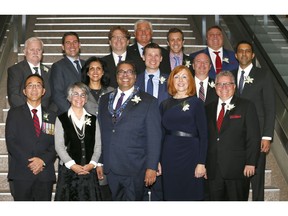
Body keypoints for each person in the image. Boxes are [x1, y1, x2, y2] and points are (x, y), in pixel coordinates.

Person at [97, 60, 162, 201]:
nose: (125, 75)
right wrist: (100, 162)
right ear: (116, 76)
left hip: (135, 167)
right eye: (121, 71)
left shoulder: (148, 101)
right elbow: (101, 133)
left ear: (135, 76)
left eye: (129, 71)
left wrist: (152, 166)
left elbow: (154, 137)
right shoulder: (104, 100)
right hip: (111, 167)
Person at [205, 71, 261, 201]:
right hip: (213, 170)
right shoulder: (208, 108)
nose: (224, 87)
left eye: (228, 84)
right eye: (220, 84)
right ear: (215, 87)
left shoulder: (246, 106)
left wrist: (251, 162)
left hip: (238, 169)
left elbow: (253, 137)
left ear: (234, 86)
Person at [233, 40, 275, 201]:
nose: (244, 53)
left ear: (253, 55)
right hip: (235, 135)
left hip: (257, 135)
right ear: (236, 55)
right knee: (237, 177)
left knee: (256, 178)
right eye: (241, 51)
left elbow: (270, 107)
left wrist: (267, 136)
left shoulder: (263, 75)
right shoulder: (229, 74)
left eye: (247, 51)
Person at [160, 65, 208, 201]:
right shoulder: (164, 104)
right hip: (169, 154)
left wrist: (201, 162)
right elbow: (161, 134)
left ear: (190, 81)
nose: (180, 80)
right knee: (171, 192)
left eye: (184, 76)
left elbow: (204, 135)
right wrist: (158, 161)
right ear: (171, 81)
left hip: (191, 154)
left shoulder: (197, 103)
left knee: (191, 193)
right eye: (176, 77)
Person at [5, 74, 57, 201]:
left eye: (38, 85)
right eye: (30, 85)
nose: (34, 88)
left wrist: (42, 161)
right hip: (22, 173)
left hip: (45, 173)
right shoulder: (14, 113)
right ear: (24, 91)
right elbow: (11, 141)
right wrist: (31, 163)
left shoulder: (52, 115)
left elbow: (57, 144)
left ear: (43, 91)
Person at [54, 82, 102, 201]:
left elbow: (98, 145)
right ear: (69, 97)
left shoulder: (93, 119)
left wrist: (92, 164)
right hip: (68, 172)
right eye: (75, 94)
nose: (79, 98)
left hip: (89, 170)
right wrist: (72, 165)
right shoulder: (61, 119)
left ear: (86, 99)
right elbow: (59, 146)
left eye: (83, 95)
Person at [82, 56, 114, 200]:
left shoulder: (112, 92)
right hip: (85, 144)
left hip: (107, 144)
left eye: (98, 68)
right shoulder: (80, 92)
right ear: (87, 72)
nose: (95, 72)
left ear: (103, 72)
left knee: (105, 190)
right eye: (91, 69)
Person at [7, 37, 53, 110]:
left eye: (38, 49)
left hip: (45, 115)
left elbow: (53, 97)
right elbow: (14, 97)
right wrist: (32, 112)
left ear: (42, 52)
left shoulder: (49, 71)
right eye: (32, 49)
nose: (35, 52)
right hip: (22, 114)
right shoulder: (15, 70)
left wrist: (45, 113)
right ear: (25, 52)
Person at [50, 31, 85, 115]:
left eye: (75, 42)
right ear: (63, 47)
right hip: (67, 114)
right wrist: (73, 113)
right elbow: (57, 94)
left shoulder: (87, 65)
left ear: (79, 45)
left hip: (85, 113)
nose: (72, 46)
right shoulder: (58, 66)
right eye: (68, 43)